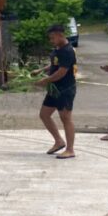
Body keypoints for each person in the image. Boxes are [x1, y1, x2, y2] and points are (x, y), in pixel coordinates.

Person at [33, 24, 78, 159]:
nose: (51, 40)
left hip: (65, 89)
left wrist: (45, 80)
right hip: (54, 88)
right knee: (44, 114)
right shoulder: (58, 48)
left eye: (52, 38)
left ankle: (70, 149)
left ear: (60, 35)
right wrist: (41, 70)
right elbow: (55, 64)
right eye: (50, 38)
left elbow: (62, 72)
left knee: (66, 118)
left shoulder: (67, 51)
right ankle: (59, 141)